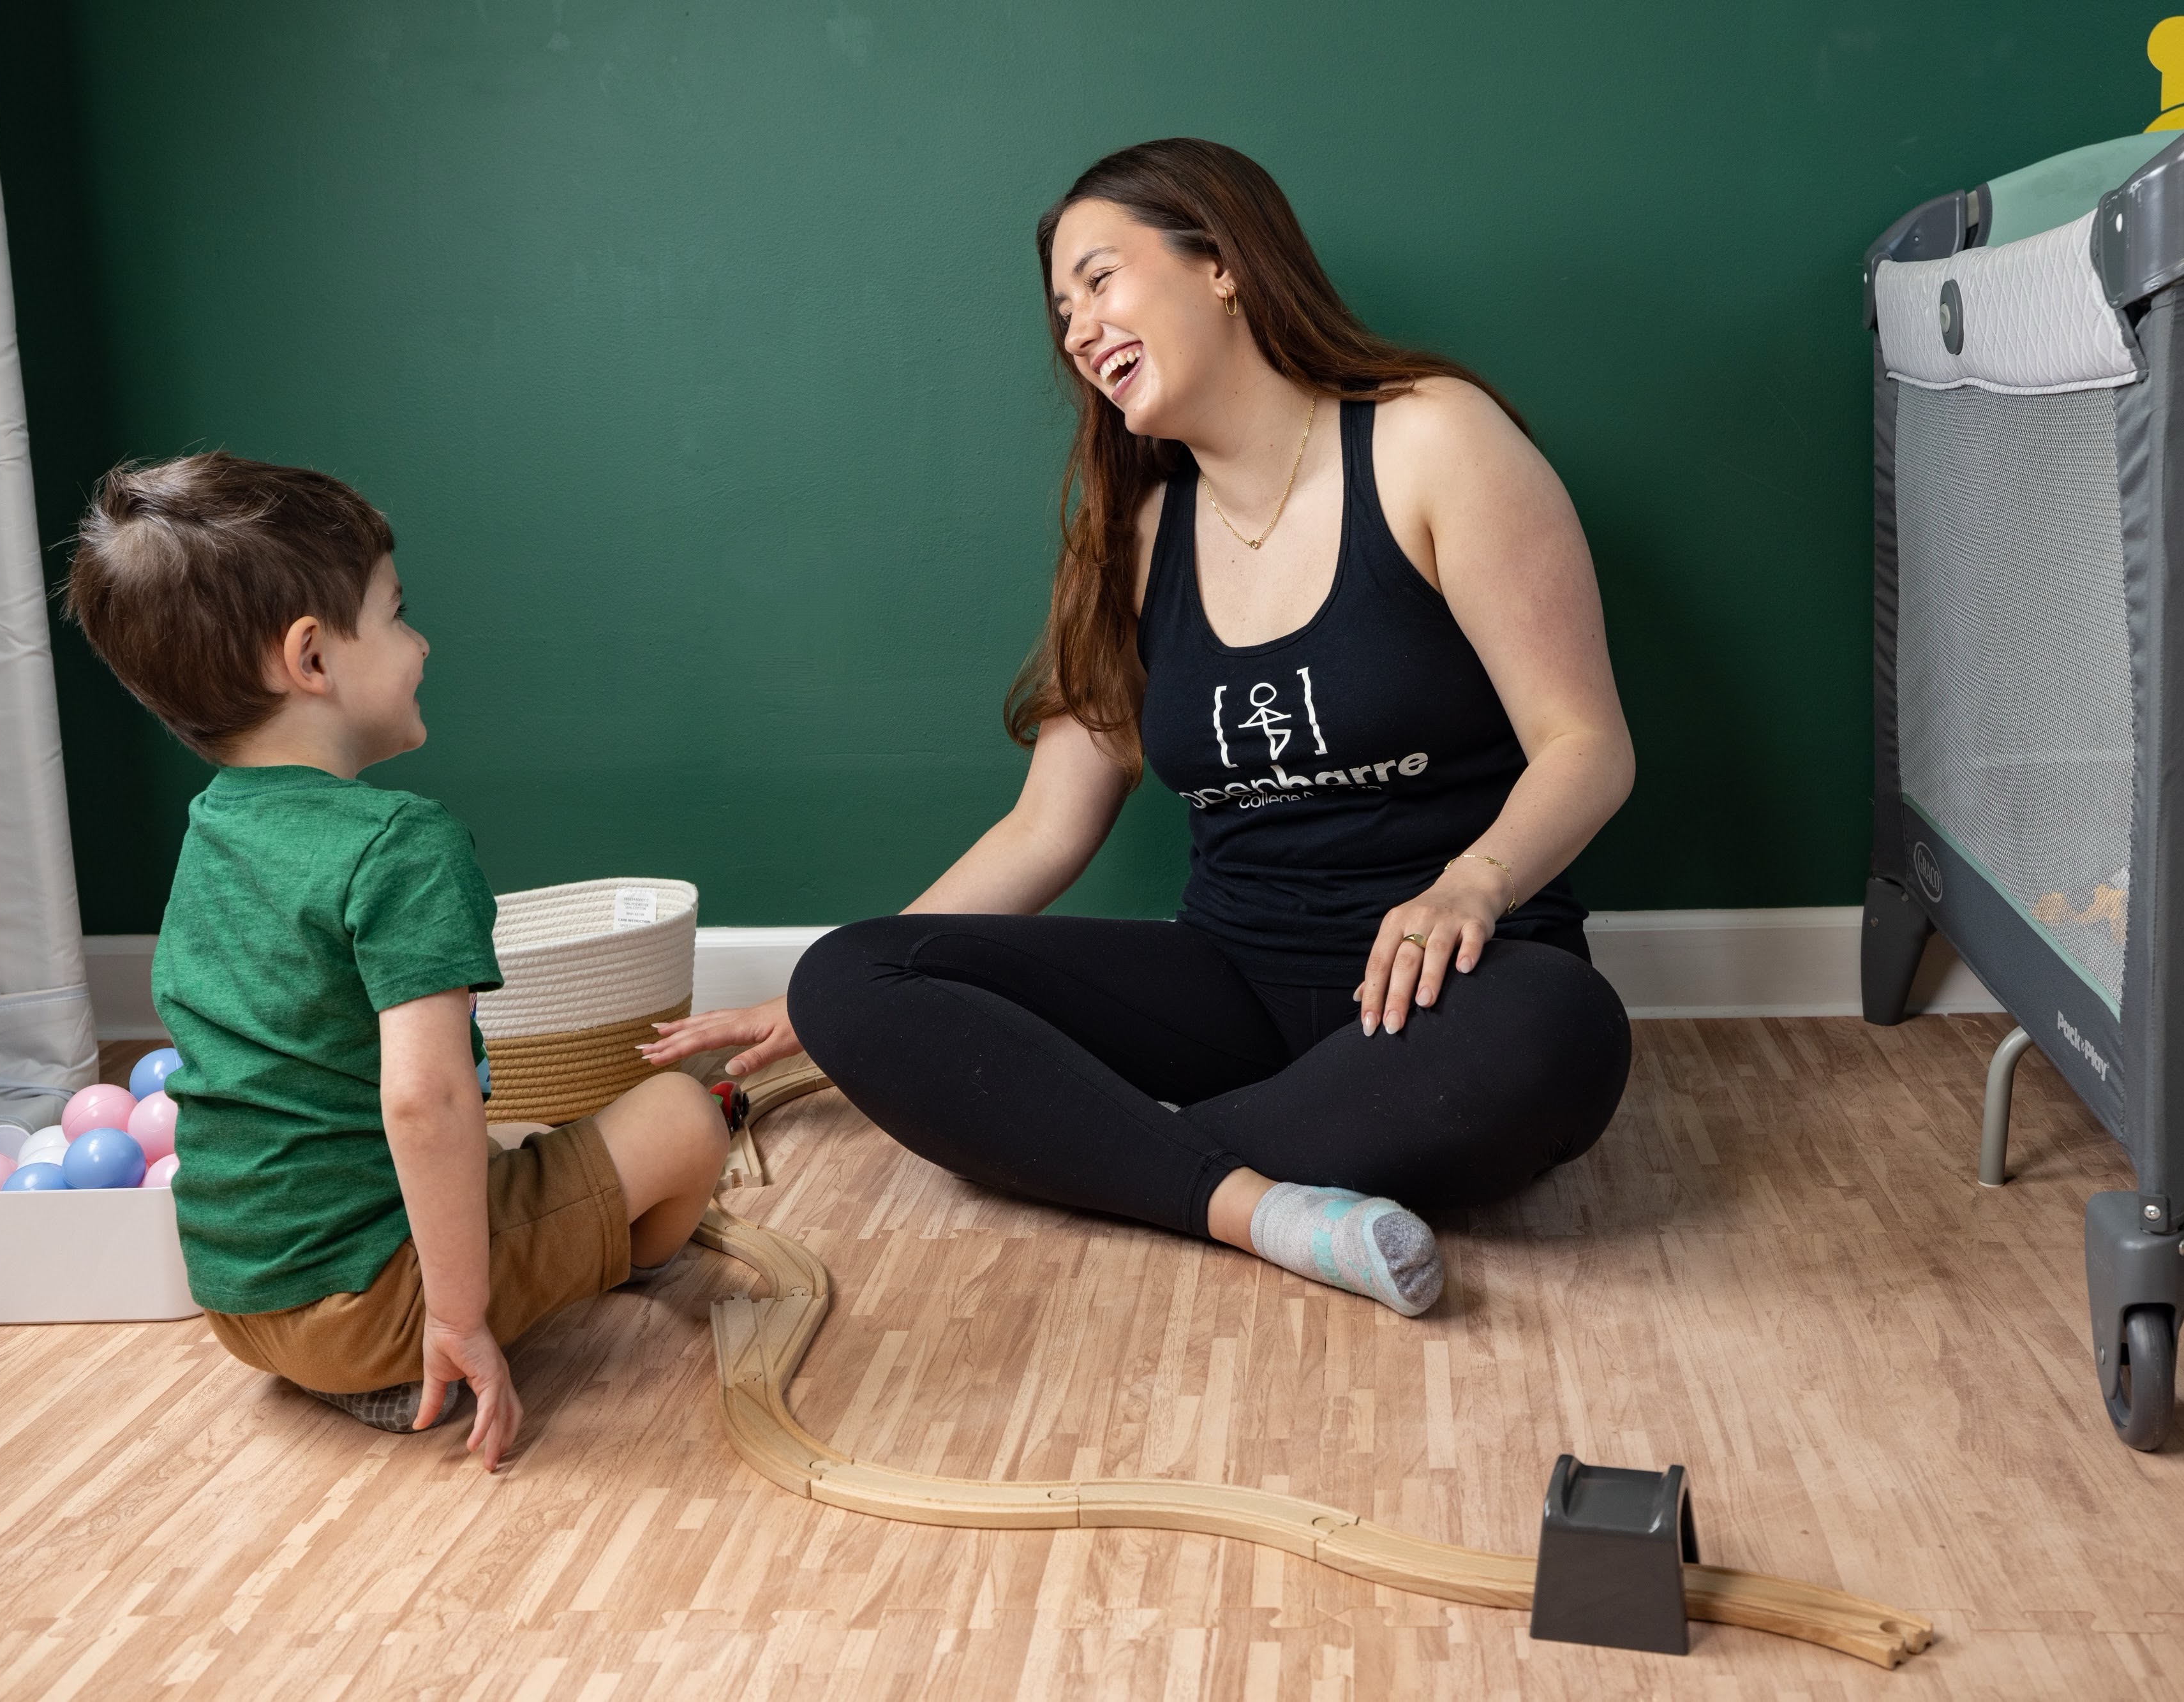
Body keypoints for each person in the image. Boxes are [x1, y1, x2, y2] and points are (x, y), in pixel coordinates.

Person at [646, 138, 1634, 1316]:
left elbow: (1586, 743)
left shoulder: (1432, 439)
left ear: (1220, 262)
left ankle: (1117, 1154)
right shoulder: (1136, 536)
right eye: (1061, 312)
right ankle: (1256, 1202)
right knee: (852, 970)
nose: (1077, 329)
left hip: (1449, 990)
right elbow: (1045, 828)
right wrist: (817, 1006)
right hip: (1230, 982)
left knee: (1564, 1034)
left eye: (1101, 280)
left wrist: (1471, 885)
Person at [65, 454, 734, 1469]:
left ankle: (428, 1312)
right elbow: (424, 1102)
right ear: (312, 659)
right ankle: (538, 1295)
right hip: (373, 1304)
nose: (420, 645)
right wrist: (459, 1319)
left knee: (520, 1140)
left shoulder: (214, 829)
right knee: (683, 1117)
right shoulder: (401, 844)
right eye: (396, 615)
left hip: (240, 1296)